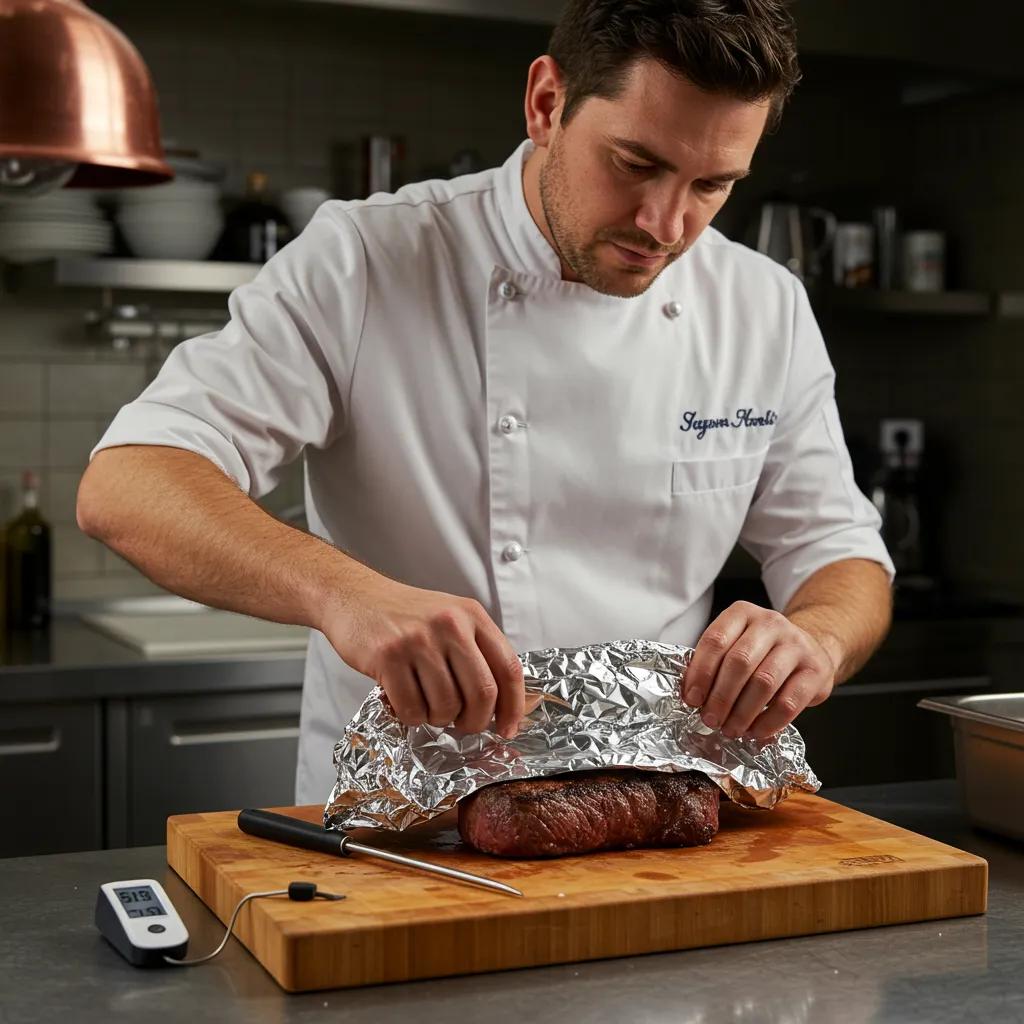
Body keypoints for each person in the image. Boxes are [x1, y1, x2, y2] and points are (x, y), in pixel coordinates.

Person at [78, 0, 894, 804]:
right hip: (401, 827)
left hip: (649, 810)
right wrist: (345, 595)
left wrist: (814, 639)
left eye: (712, 185)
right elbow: (130, 483)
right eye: (635, 164)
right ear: (546, 103)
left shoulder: (762, 305)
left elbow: (837, 549)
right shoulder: (368, 258)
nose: (665, 224)